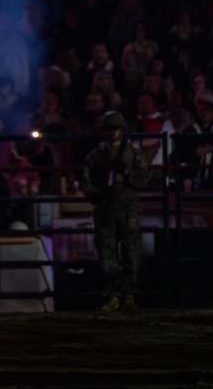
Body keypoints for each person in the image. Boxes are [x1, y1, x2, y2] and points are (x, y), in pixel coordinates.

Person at [82, 110, 151, 311]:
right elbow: (86, 182)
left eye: (116, 129)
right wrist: (97, 192)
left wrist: (127, 177)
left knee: (132, 253)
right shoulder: (96, 156)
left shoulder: (132, 153)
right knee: (107, 253)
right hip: (106, 206)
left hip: (128, 207)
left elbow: (144, 178)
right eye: (109, 129)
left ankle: (128, 294)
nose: (112, 133)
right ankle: (114, 294)